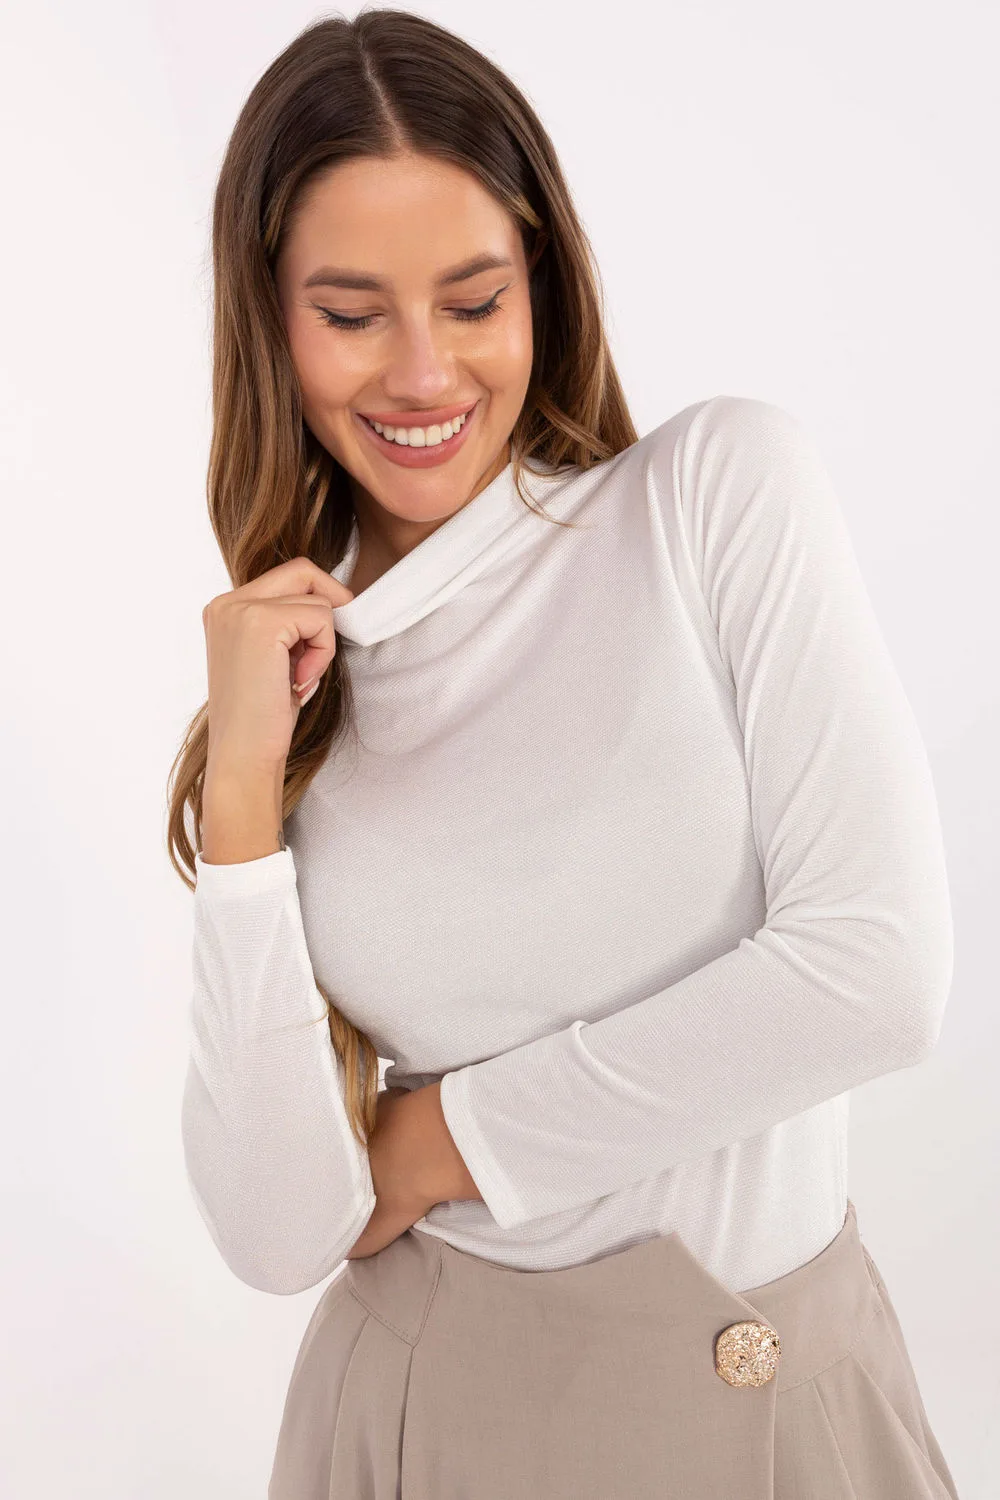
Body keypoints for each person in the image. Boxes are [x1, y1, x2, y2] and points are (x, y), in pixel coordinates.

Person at [169, 10, 961, 1498]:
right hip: (442, 1421)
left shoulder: (712, 498)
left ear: (544, 281)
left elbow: (878, 973)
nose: (424, 373)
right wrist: (242, 801)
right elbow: (280, 1234)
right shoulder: (296, 701)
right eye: (351, 315)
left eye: (474, 299)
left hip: (796, 1409)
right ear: (268, 320)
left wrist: (438, 1139)